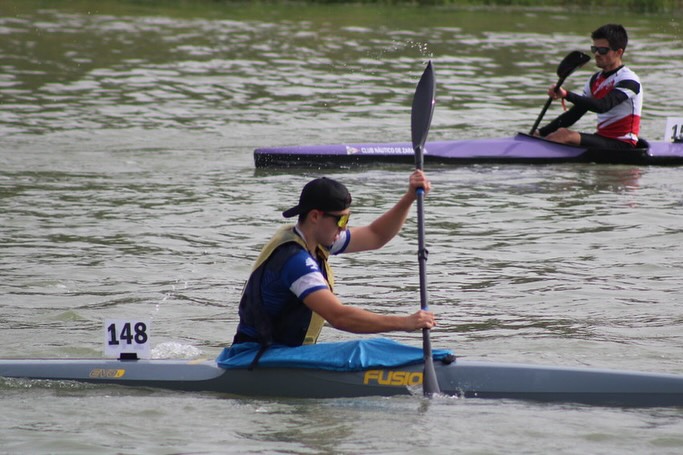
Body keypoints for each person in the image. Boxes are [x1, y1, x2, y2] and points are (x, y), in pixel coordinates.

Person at [232, 171, 436, 351]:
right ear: (315, 216)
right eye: (341, 220)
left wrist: (409, 198)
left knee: (373, 347)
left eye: (347, 219)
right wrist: (405, 322)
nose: (344, 227)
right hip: (257, 358)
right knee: (362, 350)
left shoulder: (316, 239)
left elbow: (376, 235)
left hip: (283, 353)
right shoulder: (295, 261)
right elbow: (339, 317)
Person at [536, 24, 643, 150]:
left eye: (602, 50)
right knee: (556, 135)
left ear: (618, 52)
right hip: (602, 139)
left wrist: (566, 95)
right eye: (594, 49)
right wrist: (541, 132)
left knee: (563, 135)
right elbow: (575, 113)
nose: (597, 54)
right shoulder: (594, 80)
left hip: (624, 144)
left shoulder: (629, 80)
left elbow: (602, 106)